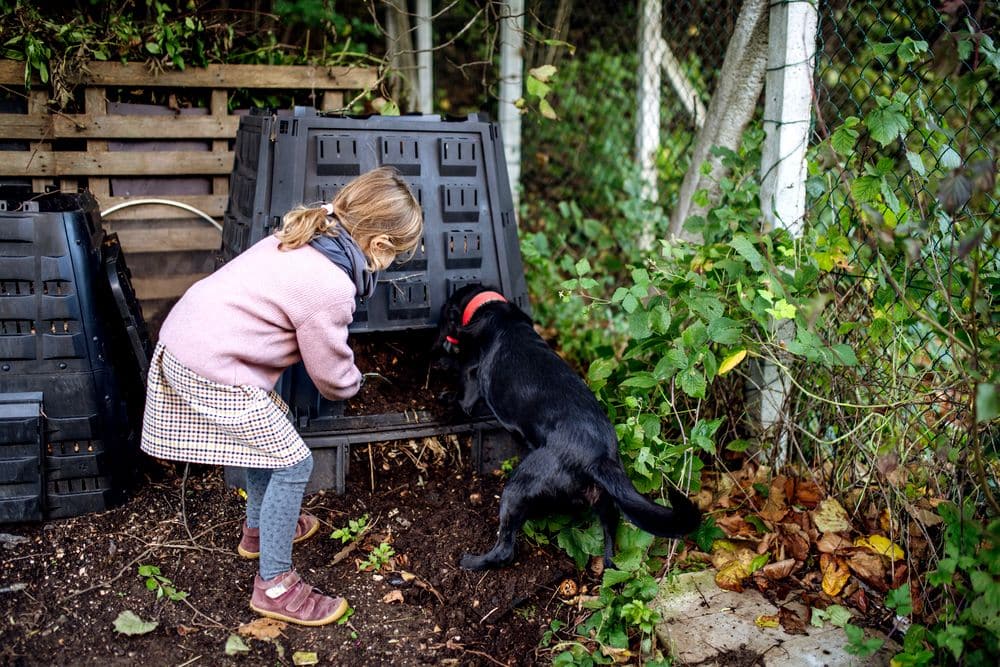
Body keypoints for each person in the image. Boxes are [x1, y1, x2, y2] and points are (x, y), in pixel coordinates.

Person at [140, 166, 423, 626]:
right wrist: (356, 385)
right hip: (209, 365)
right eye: (397, 256)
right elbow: (331, 374)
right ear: (380, 246)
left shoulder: (311, 234)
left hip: (191, 341)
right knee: (295, 460)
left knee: (272, 430)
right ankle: (274, 585)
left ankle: (259, 529)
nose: (391, 266)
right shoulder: (330, 285)